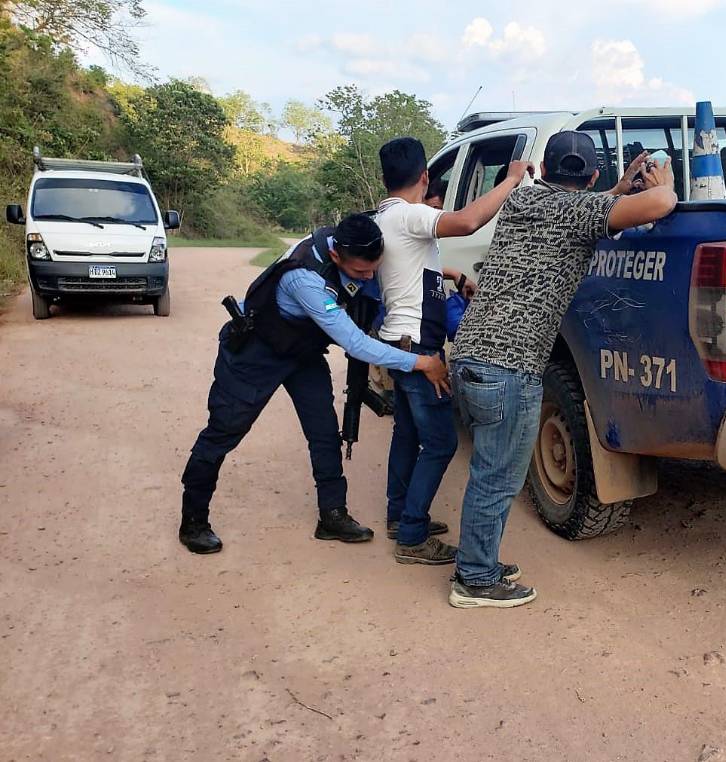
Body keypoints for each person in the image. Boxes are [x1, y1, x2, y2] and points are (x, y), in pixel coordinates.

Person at [446, 132, 677, 608]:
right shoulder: (582, 212)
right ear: (591, 177)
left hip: (471, 355)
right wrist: (663, 182)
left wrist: (619, 190)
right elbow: (660, 205)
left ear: (546, 171)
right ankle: (475, 579)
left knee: (490, 471)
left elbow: (579, 209)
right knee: (497, 478)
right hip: (509, 366)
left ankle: (478, 561)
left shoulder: (522, 200)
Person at [178, 214, 449, 554]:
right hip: (255, 352)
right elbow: (356, 343)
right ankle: (194, 521)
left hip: (302, 350)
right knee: (224, 431)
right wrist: (422, 362)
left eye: (374, 269)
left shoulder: (353, 243)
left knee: (324, 431)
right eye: (361, 272)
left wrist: (450, 274)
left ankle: (332, 516)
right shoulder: (304, 278)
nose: (369, 278)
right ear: (336, 255)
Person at [375, 137, 533, 566]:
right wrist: (511, 180)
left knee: (407, 434)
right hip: (418, 350)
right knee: (441, 443)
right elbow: (466, 222)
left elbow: (413, 266)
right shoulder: (410, 214)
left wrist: (453, 275)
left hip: (398, 341)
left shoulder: (386, 216)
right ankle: (412, 537)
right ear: (425, 177)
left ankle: (399, 516)